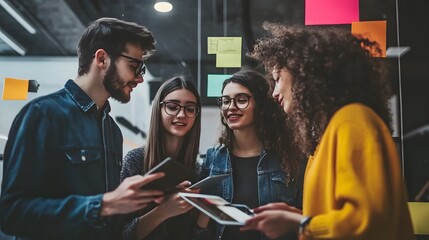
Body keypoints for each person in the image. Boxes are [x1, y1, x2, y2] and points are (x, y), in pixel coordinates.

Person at [241, 23, 415, 240]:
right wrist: (301, 218)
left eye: (277, 79)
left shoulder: (353, 120)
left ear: (303, 72)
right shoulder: (328, 133)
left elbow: (370, 221)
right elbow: (341, 218)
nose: (274, 92)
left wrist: (301, 222)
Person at [0, 17, 165, 240]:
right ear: (102, 58)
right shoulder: (43, 114)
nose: (139, 78)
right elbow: (12, 213)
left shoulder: (112, 130)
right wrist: (102, 205)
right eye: (134, 67)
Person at [197, 70, 303, 240]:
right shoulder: (214, 158)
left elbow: (304, 218)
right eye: (225, 101)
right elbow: (203, 225)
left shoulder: (289, 156)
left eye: (241, 100)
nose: (231, 107)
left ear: (261, 105)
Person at [121, 76, 205, 240]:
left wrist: (206, 213)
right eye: (172, 107)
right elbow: (123, 234)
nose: (181, 114)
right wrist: (164, 210)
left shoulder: (197, 169)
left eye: (189, 109)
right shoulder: (136, 161)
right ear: (158, 109)